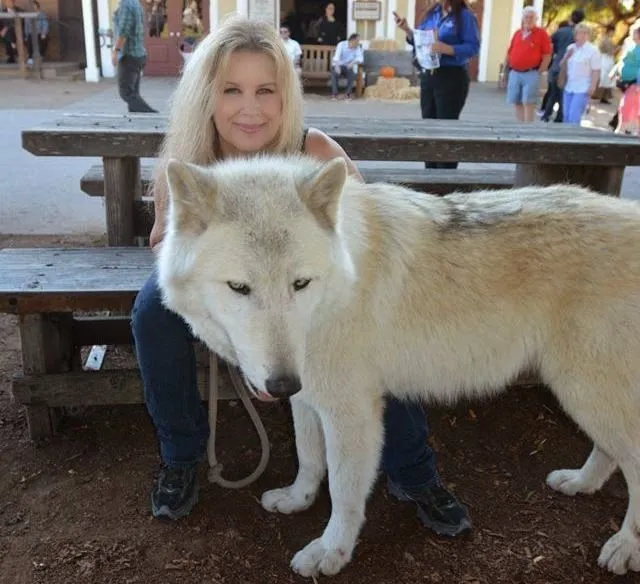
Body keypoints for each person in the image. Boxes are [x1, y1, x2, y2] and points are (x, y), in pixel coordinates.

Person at [132, 15, 471, 538]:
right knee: (152, 313)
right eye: (232, 90)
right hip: (233, 288)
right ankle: (181, 455)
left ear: (286, 95)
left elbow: (361, 234)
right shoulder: (188, 161)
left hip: (312, 287)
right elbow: (163, 241)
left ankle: (414, 471)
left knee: (370, 322)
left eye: (266, 90)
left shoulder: (314, 151)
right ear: (206, 95)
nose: (251, 108)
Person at [393, 1, 480, 169]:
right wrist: (407, 30)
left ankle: (446, 177)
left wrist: (447, 48)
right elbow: (420, 41)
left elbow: (473, 47)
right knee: (428, 128)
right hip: (429, 75)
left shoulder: (464, 16)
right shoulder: (432, 14)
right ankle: (430, 175)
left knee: (446, 129)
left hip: (451, 77)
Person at [504, 7, 551, 122]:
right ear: (523, 18)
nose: (529, 20)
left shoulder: (541, 34)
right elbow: (509, 52)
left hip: (531, 72)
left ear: (536, 19)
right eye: (526, 17)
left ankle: (528, 129)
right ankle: (520, 127)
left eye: (531, 17)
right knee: (516, 101)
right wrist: (506, 71)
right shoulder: (517, 33)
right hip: (515, 72)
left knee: (529, 102)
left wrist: (540, 71)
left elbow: (547, 55)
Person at [111, 0, 157, 113]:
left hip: (129, 55)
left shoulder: (126, 4)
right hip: (138, 54)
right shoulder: (136, 3)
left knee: (126, 92)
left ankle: (152, 116)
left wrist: (115, 50)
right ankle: (137, 121)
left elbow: (123, 31)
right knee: (134, 95)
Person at [542, 8, 585, 123]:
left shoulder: (561, 31)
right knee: (564, 94)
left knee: (552, 92)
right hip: (570, 68)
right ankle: (560, 117)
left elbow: (549, 44)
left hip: (556, 64)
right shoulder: (580, 35)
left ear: (571, 17)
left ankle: (546, 114)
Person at [560, 22, 600, 125]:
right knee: (566, 115)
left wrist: (593, 86)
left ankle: (573, 139)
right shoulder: (571, 48)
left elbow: (596, 70)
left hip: (583, 87)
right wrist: (566, 57)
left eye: (584, 33)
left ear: (588, 35)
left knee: (574, 115)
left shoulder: (593, 50)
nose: (581, 35)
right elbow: (562, 65)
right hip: (569, 85)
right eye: (579, 33)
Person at [330, 32, 363, 99]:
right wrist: (337, 66)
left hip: (347, 66)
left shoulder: (357, 47)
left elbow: (360, 59)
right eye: (357, 41)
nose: (358, 43)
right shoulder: (341, 44)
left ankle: (347, 94)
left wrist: (353, 62)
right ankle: (335, 94)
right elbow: (337, 57)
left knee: (352, 74)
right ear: (352, 40)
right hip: (338, 65)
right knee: (334, 74)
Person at [598, 24, 617, 104]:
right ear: (610, 31)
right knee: (605, 78)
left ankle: (604, 97)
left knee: (606, 79)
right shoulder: (606, 40)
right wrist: (617, 49)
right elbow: (610, 52)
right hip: (606, 60)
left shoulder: (605, 39)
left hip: (606, 60)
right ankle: (601, 96)